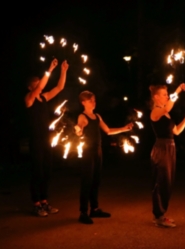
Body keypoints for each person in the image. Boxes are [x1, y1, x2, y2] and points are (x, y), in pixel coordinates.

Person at [74, 91, 133, 224]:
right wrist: (78, 129)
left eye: (94, 100)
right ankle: (83, 212)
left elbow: (108, 130)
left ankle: (94, 209)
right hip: (87, 152)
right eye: (90, 101)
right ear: (83, 103)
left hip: (98, 151)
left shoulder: (97, 116)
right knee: (86, 181)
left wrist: (124, 128)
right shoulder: (82, 117)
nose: (94, 102)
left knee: (96, 180)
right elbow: (80, 126)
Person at [25, 58, 69, 217]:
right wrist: (49, 69)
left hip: (46, 139)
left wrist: (63, 71)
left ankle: (44, 201)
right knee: (37, 171)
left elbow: (59, 87)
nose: (40, 85)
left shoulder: (43, 98)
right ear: (31, 87)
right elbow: (41, 87)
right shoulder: (29, 99)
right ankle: (36, 203)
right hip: (35, 139)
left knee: (47, 170)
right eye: (36, 83)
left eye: (39, 82)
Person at [149, 83, 185, 228]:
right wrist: (178, 91)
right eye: (164, 94)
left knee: (168, 182)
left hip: (170, 148)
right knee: (161, 181)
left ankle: (162, 214)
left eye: (167, 94)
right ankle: (159, 216)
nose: (167, 96)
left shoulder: (166, 113)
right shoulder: (155, 112)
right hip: (161, 148)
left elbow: (177, 132)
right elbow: (168, 106)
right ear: (156, 97)